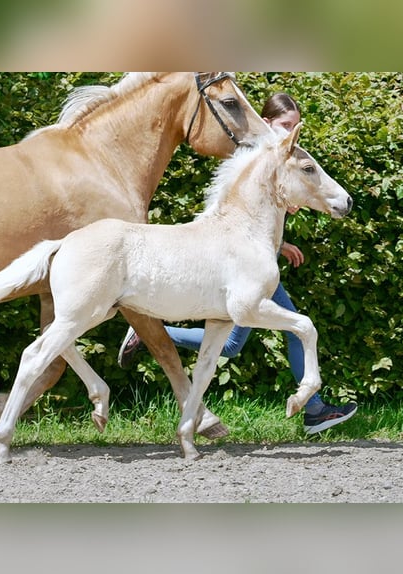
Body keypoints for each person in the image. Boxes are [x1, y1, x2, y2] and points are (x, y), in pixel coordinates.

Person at [117, 92, 357, 435]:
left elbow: (261, 219)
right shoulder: (256, 158)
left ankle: (152, 333)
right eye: (285, 125)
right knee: (293, 327)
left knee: (231, 345)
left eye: (292, 125)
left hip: (254, 260)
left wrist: (282, 243)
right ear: (269, 123)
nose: (290, 132)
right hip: (241, 264)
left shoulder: (278, 162)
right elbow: (236, 215)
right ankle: (315, 410)